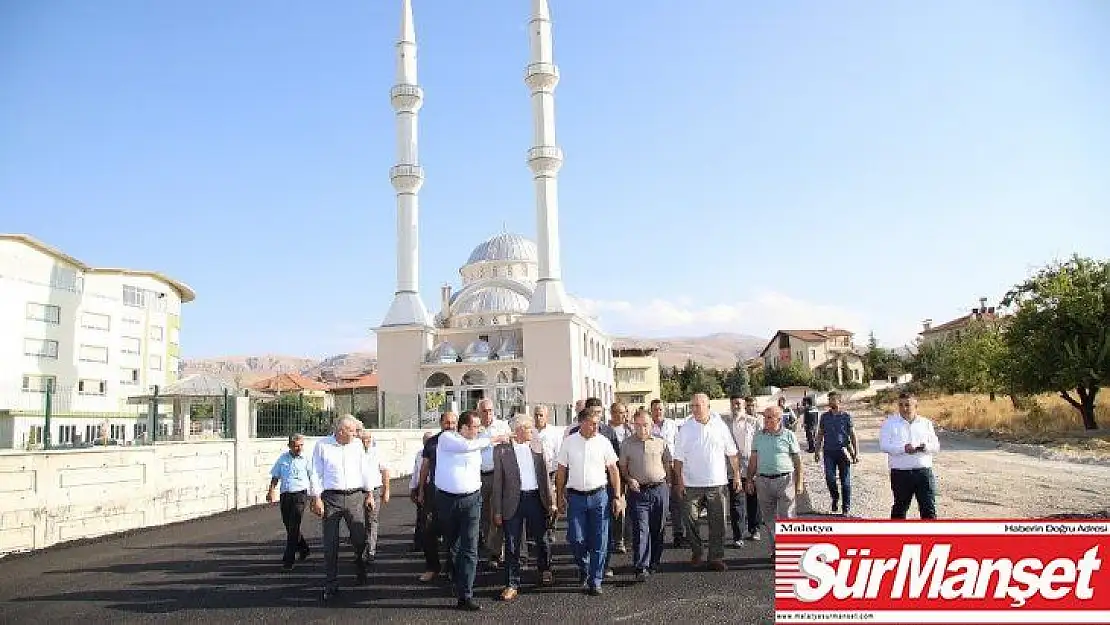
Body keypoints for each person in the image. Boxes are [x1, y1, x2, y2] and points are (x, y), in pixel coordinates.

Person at [435, 410, 511, 611]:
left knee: (470, 548)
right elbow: (466, 446)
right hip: (447, 501)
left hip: (471, 500)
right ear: (463, 427)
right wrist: (492, 438)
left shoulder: (478, 440)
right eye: (475, 427)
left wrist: (494, 440)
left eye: (479, 427)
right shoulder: (447, 438)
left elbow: (481, 449)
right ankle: (453, 576)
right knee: (452, 545)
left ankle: (465, 595)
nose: (479, 430)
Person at [555, 399, 623, 596]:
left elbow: (614, 470)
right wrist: (559, 497)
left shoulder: (603, 442)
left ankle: (595, 579)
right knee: (576, 539)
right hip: (576, 498)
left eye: (598, 423)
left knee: (600, 540)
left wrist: (617, 496)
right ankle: (584, 567)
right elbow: (561, 472)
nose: (597, 427)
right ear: (582, 422)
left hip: (599, 496)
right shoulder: (569, 442)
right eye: (593, 423)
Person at [308, 415, 376, 602]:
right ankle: (331, 583)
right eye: (353, 431)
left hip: (355, 496)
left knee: (359, 538)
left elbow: (365, 469)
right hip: (331, 497)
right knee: (331, 543)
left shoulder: (356, 446)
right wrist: (316, 498)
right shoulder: (322, 446)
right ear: (341, 431)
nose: (356, 434)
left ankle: (360, 566)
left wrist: (369, 493)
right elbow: (315, 472)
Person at [673, 393, 741, 571]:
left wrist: (737, 475)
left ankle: (715, 557)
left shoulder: (720, 427)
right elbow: (678, 459)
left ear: (708, 406)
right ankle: (697, 552)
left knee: (718, 522)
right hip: (691, 484)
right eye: (692, 406)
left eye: (698, 406)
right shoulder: (685, 428)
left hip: (716, 483)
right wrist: (679, 482)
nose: (694, 409)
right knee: (690, 520)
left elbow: (732, 453)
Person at [491, 414, 555, 601]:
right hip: (512, 503)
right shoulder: (501, 451)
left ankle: (545, 569)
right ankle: (512, 583)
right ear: (518, 430)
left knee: (542, 539)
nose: (532, 432)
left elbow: (544, 477)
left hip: (536, 498)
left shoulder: (537, 447)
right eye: (528, 429)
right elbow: (497, 483)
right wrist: (497, 510)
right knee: (511, 544)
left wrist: (551, 502)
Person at [619, 408, 672, 580]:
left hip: (659, 490)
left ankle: (654, 561)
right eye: (639, 425)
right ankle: (641, 566)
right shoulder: (627, 444)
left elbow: (667, 464)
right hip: (638, 492)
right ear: (634, 425)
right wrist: (628, 479)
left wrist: (668, 484)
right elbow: (623, 468)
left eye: (646, 425)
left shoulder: (660, 442)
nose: (643, 429)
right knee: (641, 530)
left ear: (652, 425)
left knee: (658, 529)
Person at [746, 405, 804, 543]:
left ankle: (790, 550)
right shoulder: (758, 435)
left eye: (769, 417)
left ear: (779, 419)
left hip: (785, 481)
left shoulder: (789, 435)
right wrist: (749, 479)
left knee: (787, 517)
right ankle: (776, 550)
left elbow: (798, 461)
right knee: (769, 519)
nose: (765, 420)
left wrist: (799, 482)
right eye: (764, 417)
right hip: (763, 482)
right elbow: (753, 459)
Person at [878, 392, 940, 519]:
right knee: (900, 508)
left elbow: (936, 446)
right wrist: (903, 449)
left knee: (928, 508)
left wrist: (925, 447)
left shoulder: (925, 423)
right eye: (900, 405)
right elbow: (884, 445)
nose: (904, 408)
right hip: (901, 474)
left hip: (923, 473)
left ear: (916, 406)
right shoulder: (890, 423)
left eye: (907, 405)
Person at [415, 411, 459, 583]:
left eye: (453, 422)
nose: (450, 426)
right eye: (447, 422)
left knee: (452, 532)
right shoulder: (432, 442)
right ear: (441, 423)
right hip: (433, 492)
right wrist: (420, 490)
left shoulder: (462, 442)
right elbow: (424, 467)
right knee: (428, 531)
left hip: (454, 492)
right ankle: (432, 567)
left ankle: (452, 568)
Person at [267, 433, 312, 570]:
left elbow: (313, 477)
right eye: (296, 446)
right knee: (289, 526)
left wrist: (316, 497)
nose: (299, 448)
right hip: (286, 495)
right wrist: (271, 491)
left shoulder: (306, 459)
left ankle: (289, 559)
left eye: (301, 445)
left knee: (294, 526)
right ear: (289, 446)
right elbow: (275, 476)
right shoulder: (283, 459)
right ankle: (304, 548)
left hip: (300, 495)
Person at [476, 398, 512, 569]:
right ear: (479, 412)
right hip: (479, 476)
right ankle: (489, 546)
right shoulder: (475, 429)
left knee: (497, 514)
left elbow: (511, 446)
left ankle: (496, 552)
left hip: (498, 475)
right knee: (484, 514)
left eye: (490, 410)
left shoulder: (502, 427)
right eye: (484, 411)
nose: (488, 414)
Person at [722, 395, 759, 547]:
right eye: (733, 404)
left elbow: (759, 444)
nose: (735, 406)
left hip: (751, 465)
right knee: (736, 502)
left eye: (738, 403)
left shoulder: (753, 422)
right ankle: (738, 535)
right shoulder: (724, 423)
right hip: (732, 467)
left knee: (752, 500)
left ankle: (754, 528)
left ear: (744, 405)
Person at [814, 391, 859, 515]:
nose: (830, 402)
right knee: (830, 478)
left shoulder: (846, 417)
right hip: (828, 452)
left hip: (843, 452)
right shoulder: (824, 417)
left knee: (845, 482)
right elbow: (820, 434)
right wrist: (817, 451)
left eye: (833, 399)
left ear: (839, 401)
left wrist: (856, 453)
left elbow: (853, 435)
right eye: (829, 399)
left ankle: (846, 507)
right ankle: (835, 497)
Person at [649, 398, 683, 547]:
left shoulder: (671, 425)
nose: (658, 412)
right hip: (655, 467)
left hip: (672, 466)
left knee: (677, 502)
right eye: (655, 409)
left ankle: (678, 534)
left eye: (661, 409)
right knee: (657, 503)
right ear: (651, 411)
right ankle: (656, 536)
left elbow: (678, 445)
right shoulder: (647, 426)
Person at [358, 428, 391, 562]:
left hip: (375, 490)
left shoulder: (377, 452)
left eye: (368, 439)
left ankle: (371, 550)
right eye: (363, 439)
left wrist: (386, 490)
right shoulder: (354, 453)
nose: (366, 442)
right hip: (358, 491)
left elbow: (385, 471)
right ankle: (360, 550)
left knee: (371, 520)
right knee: (358, 521)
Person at [409, 431, 434, 551]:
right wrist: (413, 488)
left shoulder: (437, 452)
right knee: (421, 516)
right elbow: (416, 472)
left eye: (429, 440)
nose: (427, 443)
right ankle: (418, 543)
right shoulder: (419, 454)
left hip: (434, 486)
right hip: (422, 486)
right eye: (425, 441)